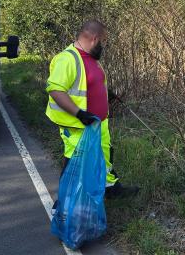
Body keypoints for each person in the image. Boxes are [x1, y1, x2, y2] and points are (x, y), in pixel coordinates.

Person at [45, 20, 138, 198]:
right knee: (75, 162)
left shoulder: (91, 58)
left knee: (105, 155)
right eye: (102, 42)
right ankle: (65, 201)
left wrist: (105, 93)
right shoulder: (67, 59)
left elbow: (90, 82)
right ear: (94, 39)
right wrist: (79, 113)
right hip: (78, 125)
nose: (103, 46)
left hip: (99, 123)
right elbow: (55, 89)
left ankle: (110, 188)